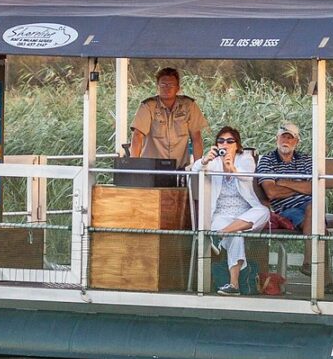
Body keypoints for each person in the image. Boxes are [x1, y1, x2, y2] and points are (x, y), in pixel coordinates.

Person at [191, 126, 269, 295]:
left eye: (229, 141)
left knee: (264, 212)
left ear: (237, 145)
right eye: (220, 141)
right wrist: (204, 160)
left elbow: (248, 175)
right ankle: (234, 285)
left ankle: (219, 234)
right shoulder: (213, 160)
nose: (224, 144)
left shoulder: (245, 158)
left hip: (245, 212)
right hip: (221, 213)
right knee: (237, 235)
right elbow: (194, 170)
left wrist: (232, 168)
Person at [255, 123, 316, 270]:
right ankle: (312, 267)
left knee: (314, 212)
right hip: (285, 209)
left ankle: (314, 270)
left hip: (310, 205)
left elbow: (314, 188)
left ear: (297, 141)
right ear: (277, 138)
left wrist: (284, 182)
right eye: (283, 137)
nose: (286, 141)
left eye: (290, 138)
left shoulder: (306, 160)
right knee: (318, 221)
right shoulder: (267, 160)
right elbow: (272, 192)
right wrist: (301, 186)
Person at [129, 67, 208, 167]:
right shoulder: (148, 106)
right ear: (157, 87)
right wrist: (133, 167)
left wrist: (198, 168)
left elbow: (196, 138)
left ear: (178, 88)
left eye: (171, 85)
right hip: (152, 170)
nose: (167, 88)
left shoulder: (189, 105)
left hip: (180, 168)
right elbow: (137, 136)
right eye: (163, 84)